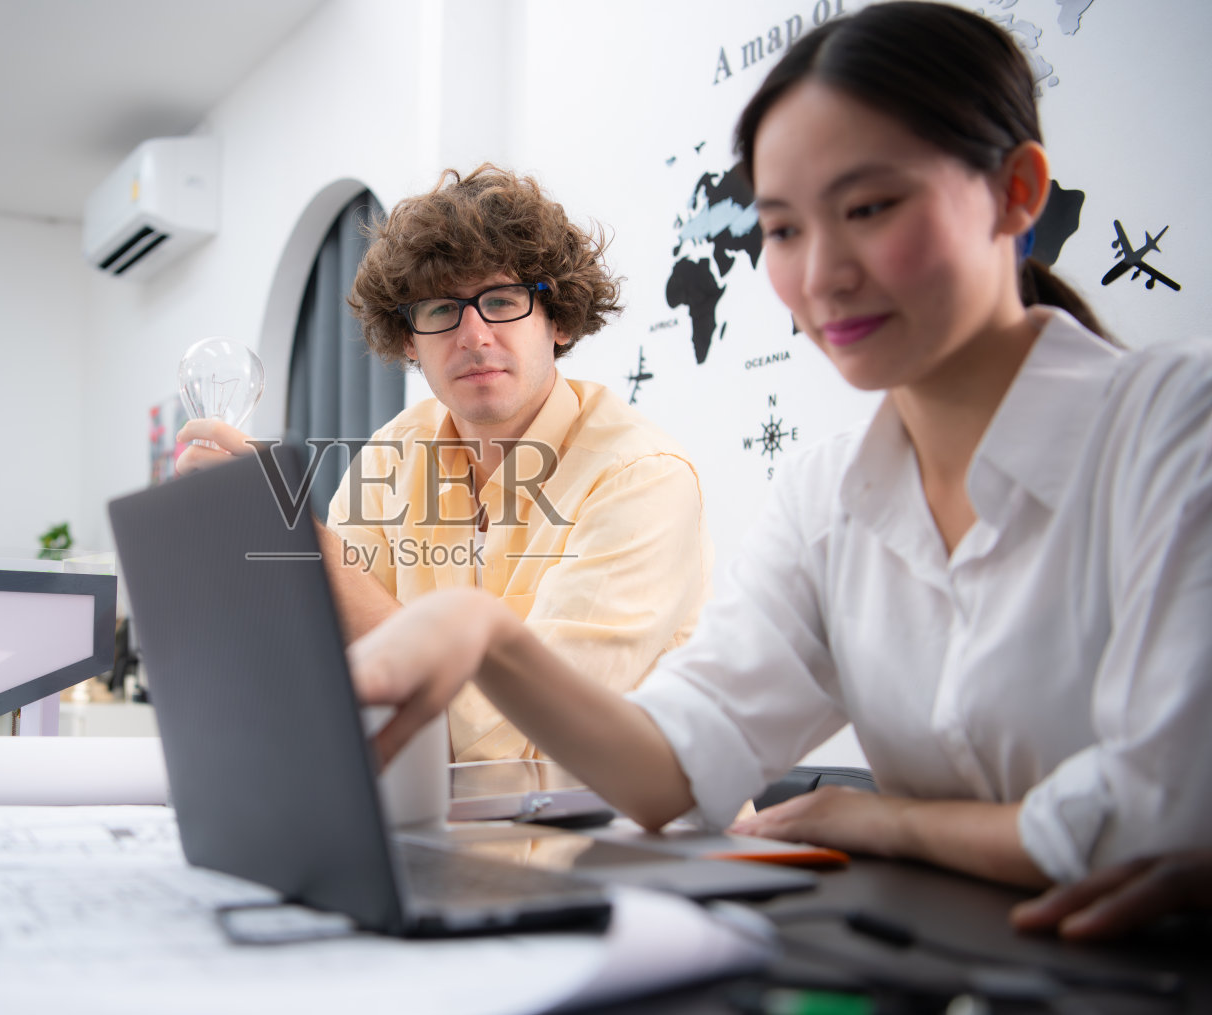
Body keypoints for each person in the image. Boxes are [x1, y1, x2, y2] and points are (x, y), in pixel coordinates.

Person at [346, 1, 1212, 936]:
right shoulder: (830, 494)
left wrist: (896, 820)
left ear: (1017, 192)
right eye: (785, 230)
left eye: (871, 207)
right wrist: (485, 631)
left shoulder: (1172, 423)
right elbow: (668, 760)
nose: (824, 272)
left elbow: (1160, 812)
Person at [178, 165, 713, 762]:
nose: (474, 335)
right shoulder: (394, 454)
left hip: (619, 845)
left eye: (503, 301)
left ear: (557, 320)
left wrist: (303, 544)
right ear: (409, 340)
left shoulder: (641, 475)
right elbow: (320, 674)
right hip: (434, 831)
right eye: (439, 310)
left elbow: (512, 740)